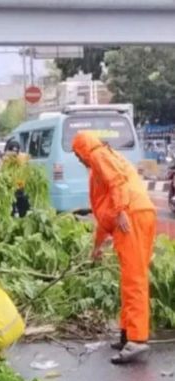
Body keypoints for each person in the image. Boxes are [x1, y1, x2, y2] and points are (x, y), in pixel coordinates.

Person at [73, 132, 156, 364]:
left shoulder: (98, 154)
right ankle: (127, 333)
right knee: (130, 279)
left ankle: (137, 340)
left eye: (78, 155)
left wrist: (120, 211)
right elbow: (103, 214)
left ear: (83, 150)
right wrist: (97, 246)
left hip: (131, 216)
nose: (80, 161)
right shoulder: (102, 162)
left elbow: (117, 182)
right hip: (136, 215)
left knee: (134, 280)